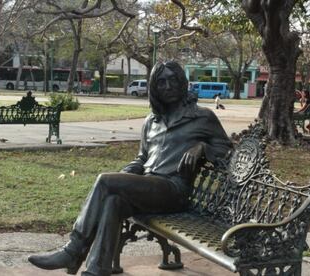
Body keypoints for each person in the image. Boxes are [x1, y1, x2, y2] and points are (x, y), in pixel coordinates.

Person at [28, 61, 233, 276]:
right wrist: (125, 176)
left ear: (182, 83)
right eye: (161, 82)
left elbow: (227, 151)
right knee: (113, 201)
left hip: (174, 190)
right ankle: (97, 270)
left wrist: (202, 147)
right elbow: (142, 159)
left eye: (173, 80)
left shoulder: (202, 117)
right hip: (149, 188)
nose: (168, 86)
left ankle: (73, 250)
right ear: (154, 88)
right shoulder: (151, 121)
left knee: (105, 181)